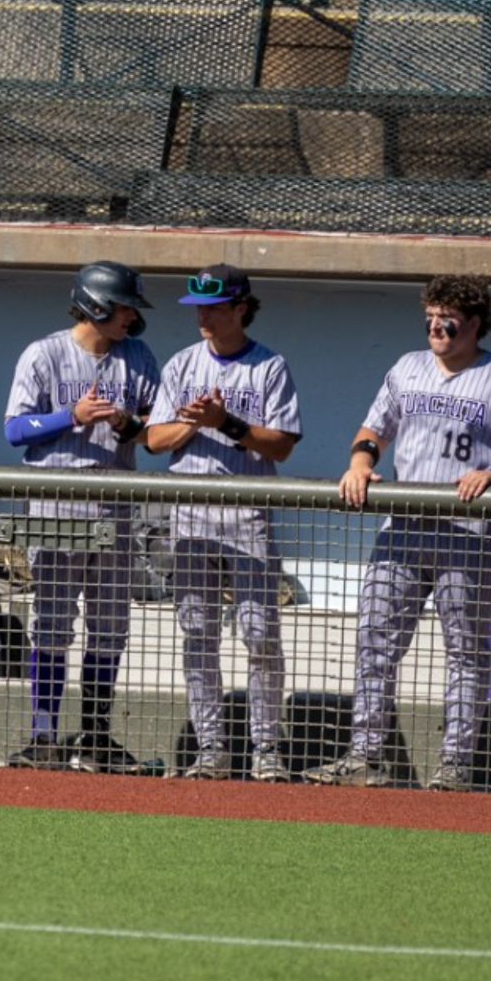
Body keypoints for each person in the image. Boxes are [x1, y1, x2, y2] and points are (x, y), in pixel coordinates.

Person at [304, 274, 491, 791]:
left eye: (449, 318)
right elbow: (374, 429)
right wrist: (358, 463)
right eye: (431, 317)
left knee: (465, 651)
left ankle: (455, 764)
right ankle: (366, 753)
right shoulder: (407, 367)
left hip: (467, 532)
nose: (437, 327)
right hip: (405, 527)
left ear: (475, 323)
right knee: (374, 641)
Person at [142, 264, 302, 782]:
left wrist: (227, 423)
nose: (203, 316)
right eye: (198, 307)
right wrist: (193, 420)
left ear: (240, 308)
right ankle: (211, 748)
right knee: (198, 634)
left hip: (246, 514)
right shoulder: (182, 363)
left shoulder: (269, 366)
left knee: (260, 636)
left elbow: (282, 443)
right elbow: (153, 441)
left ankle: (267, 750)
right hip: (191, 515)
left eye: (213, 307)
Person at [1, 260, 160, 773]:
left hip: (114, 504)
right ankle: (43, 737)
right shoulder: (44, 353)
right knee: (50, 626)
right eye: (122, 308)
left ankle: (95, 737)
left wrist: (124, 421)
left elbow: (156, 430)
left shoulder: (137, 356)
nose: (130, 319)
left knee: (110, 628)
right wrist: (70, 416)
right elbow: (14, 429)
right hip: (56, 504)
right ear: (95, 304)